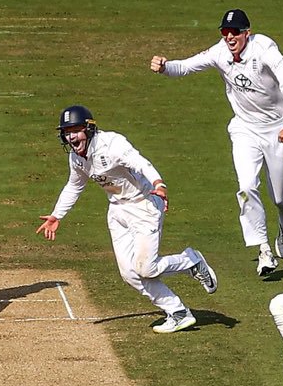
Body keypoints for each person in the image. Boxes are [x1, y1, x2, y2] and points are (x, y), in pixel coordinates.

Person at [35, 106, 218, 334]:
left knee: (147, 269)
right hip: (117, 210)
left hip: (145, 205)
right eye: (67, 132)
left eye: (76, 130)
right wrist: (56, 215)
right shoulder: (76, 158)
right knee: (130, 274)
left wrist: (159, 184)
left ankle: (190, 261)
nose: (71, 137)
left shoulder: (112, 144)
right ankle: (178, 312)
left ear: (89, 129)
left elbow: (139, 162)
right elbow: (74, 185)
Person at [150, 9, 283, 276]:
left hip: (277, 128)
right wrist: (165, 67)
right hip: (244, 129)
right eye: (225, 32)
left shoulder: (264, 48)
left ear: (247, 32)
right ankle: (264, 250)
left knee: (279, 197)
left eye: (235, 32)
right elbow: (186, 66)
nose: (229, 37)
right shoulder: (219, 52)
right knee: (246, 187)